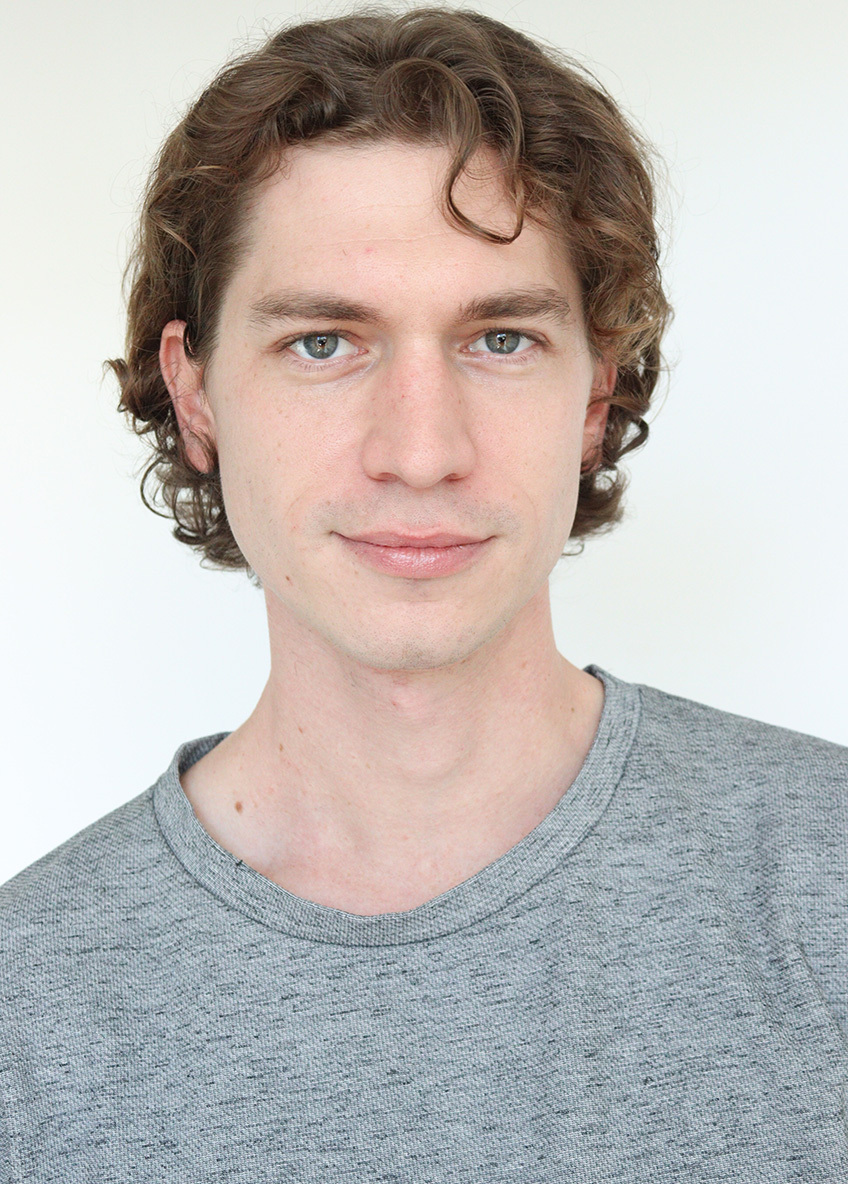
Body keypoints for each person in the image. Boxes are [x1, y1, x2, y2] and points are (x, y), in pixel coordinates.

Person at [1, 7, 845, 1180]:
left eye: (499, 339)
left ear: (594, 393)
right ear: (193, 394)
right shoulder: (28, 1010)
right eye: (322, 342)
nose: (419, 450)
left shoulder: (823, 878)